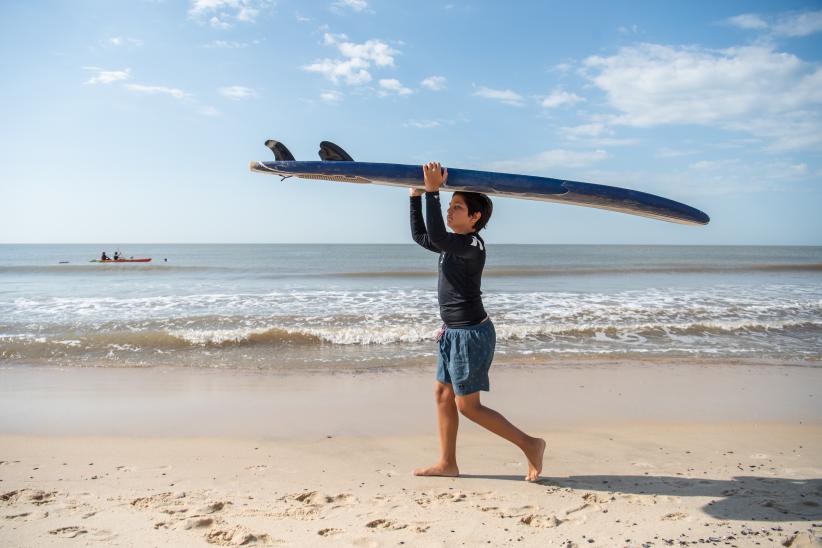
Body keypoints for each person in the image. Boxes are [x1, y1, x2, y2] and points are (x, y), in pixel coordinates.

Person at [410, 161, 546, 482]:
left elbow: (440, 237)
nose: (449, 210)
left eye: (457, 207)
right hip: (451, 334)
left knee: (468, 407)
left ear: (475, 218)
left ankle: (531, 444)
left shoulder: (471, 245)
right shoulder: (452, 243)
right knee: (443, 395)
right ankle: (447, 463)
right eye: (449, 204)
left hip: (471, 336)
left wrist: (432, 192)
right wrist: (416, 197)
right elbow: (422, 236)